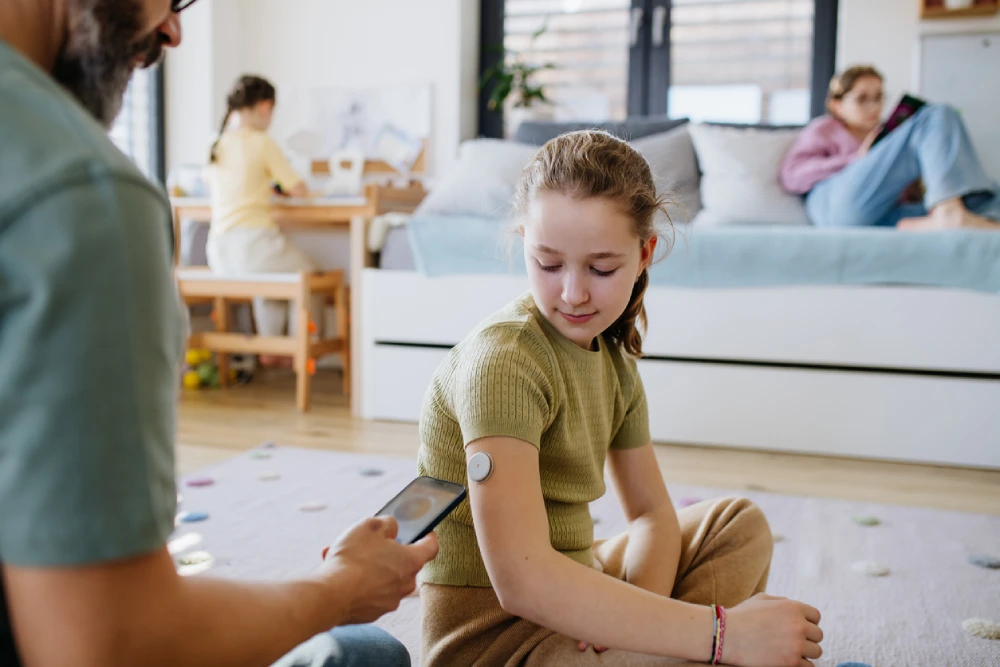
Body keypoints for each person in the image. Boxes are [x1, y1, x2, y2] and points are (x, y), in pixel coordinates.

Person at [0, 2, 435, 666]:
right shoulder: (84, 191)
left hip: (224, 246)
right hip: (260, 245)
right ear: (263, 108)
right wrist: (342, 587)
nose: (173, 30)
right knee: (367, 651)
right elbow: (114, 644)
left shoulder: (215, 145)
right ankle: (305, 357)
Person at [416, 130, 824, 666]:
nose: (573, 293)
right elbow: (521, 581)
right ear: (523, 241)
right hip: (501, 635)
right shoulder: (505, 361)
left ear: (644, 253)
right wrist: (721, 634)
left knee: (735, 524)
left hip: (573, 578)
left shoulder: (612, 359)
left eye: (602, 268)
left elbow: (653, 515)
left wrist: (636, 628)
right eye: (548, 264)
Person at [780, 64, 1000, 230]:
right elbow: (793, 176)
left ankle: (933, 219)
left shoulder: (887, 136)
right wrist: (857, 158)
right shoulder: (825, 128)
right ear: (837, 105)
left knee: (990, 193)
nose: (873, 107)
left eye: (879, 97)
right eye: (862, 99)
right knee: (938, 115)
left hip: (882, 213)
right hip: (836, 207)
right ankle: (948, 213)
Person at [205, 74, 325, 364]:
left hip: (219, 251)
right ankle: (300, 349)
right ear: (264, 107)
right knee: (311, 275)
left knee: (273, 276)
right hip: (252, 244)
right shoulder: (262, 143)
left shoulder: (218, 143)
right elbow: (298, 189)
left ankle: (271, 347)